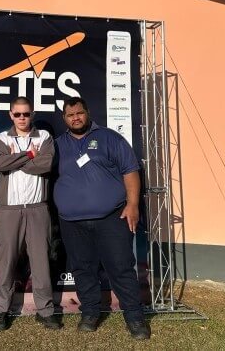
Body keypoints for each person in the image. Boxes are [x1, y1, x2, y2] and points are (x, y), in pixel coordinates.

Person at [53, 97, 151, 340]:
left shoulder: (109, 138)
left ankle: (135, 317)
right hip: (71, 221)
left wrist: (133, 204)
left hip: (111, 218)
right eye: (70, 115)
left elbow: (130, 169)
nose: (75, 118)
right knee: (83, 268)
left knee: (120, 267)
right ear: (64, 119)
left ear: (87, 113)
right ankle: (90, 313)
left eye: (79, 113)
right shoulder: (56, 145)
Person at [0, 97, 60, 331]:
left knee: (40, 262)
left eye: (26, 114)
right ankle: (0, 310)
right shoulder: (1, 138)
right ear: (10, 115)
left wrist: (15, 160)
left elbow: (46, 165)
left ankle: (46, 310)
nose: (22, 118)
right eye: (17, 114)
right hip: (9, 209)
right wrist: (30, 155)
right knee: (7, 262)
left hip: (37, 208)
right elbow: (1, 166)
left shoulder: (44, 138)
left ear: (32, 114)